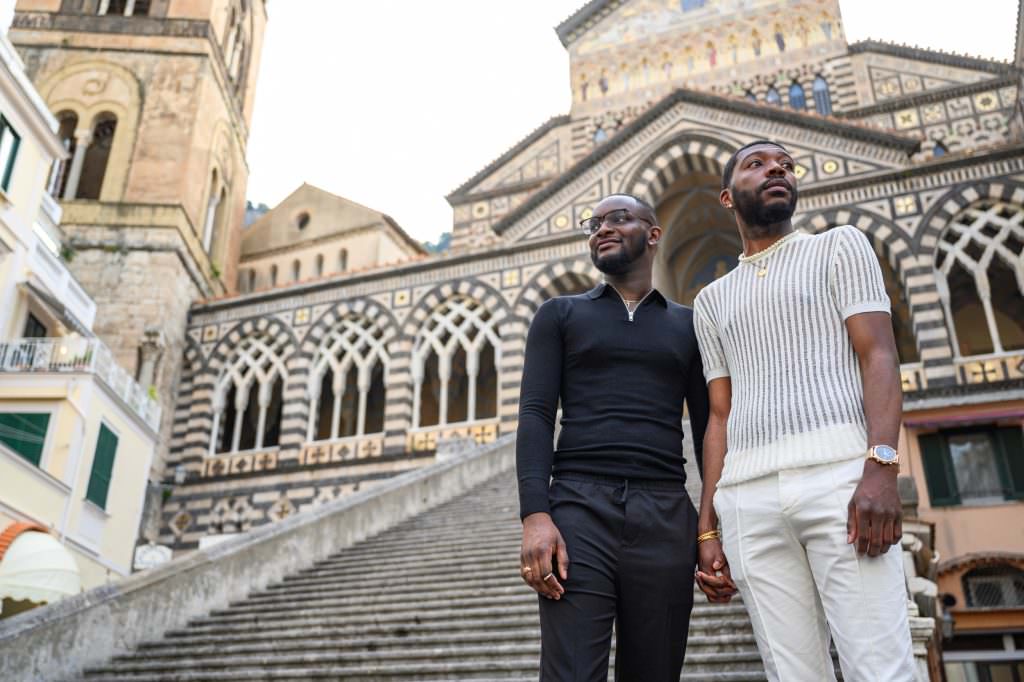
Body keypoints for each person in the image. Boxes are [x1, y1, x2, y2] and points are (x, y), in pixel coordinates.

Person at [693, 140, 916, 681]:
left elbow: (879, 355)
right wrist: (707, 529)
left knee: (880, 668)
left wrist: (881, 469)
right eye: (758, 164)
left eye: (786, 165)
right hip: (747, 502)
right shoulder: (710, 301)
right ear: (727, 196)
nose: (777, 170)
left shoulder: (840, 247)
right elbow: (718, 415)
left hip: (840, 482)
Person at [516, 193, 709, 681]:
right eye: (593, 223)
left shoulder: (691, 326)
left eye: (618, 219)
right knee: (571, 673)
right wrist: (536, 516)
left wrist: (709, 528)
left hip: (666, 513)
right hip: (578, 510)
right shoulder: (558, 315)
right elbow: (537, 414)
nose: (601, 228)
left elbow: (709, 428)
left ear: (653, 234)